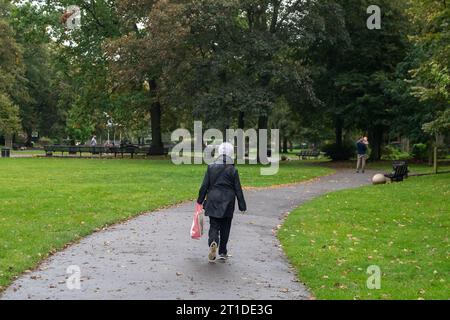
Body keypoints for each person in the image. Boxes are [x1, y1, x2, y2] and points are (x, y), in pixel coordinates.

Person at [197, 142, 247, 263]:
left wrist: (200, 200)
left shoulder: (211, 167)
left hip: (213, 200)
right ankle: (223, 252)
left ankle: (213, 242)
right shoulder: (233, 170)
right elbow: (238, 189)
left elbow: (204, 186)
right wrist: (242, 205)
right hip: (228, 202)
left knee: (214, 225)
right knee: (226, 227)